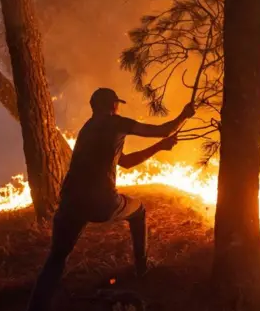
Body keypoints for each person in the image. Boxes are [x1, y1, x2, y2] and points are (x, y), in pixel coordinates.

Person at [27, 87, 196, 311]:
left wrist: (159, 148)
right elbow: (164, 130)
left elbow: (124, 162)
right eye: (117, 104)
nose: (117, 108)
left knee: (56, 258)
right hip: (102, 203)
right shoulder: (117, 123)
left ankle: (35, 307)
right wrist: (184, 115)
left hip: (70, 202)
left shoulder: (86, 130)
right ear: (113, 105)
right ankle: (142, 267)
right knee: (140, 211)